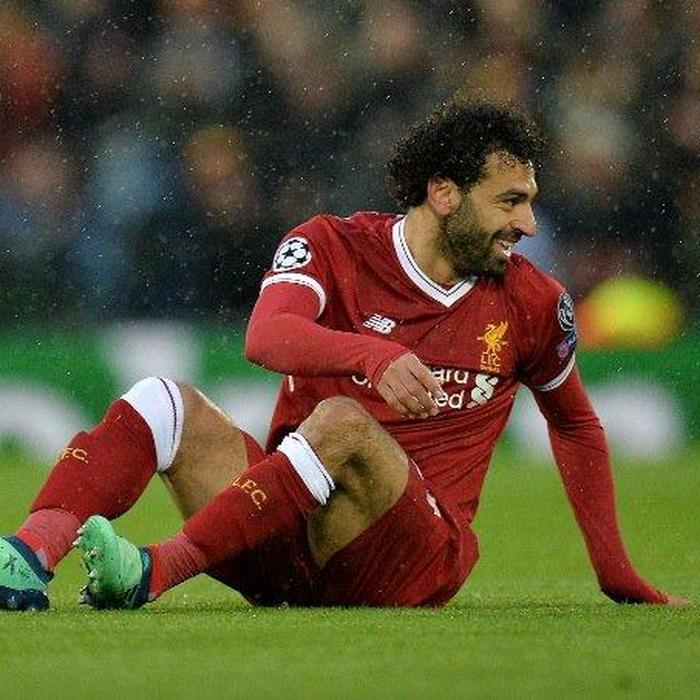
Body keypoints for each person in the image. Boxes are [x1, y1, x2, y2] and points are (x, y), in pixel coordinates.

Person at [0, 102, 682, 611]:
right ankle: (27, 557)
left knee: (345, 423)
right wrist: (373, 356)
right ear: (444, 193)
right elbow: (266, 336)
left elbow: (575, 423)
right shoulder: (332, 245)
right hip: (285, 527)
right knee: (161, 401)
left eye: (529, 203)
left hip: (416, 560)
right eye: (510, 202)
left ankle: (154, 571)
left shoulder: (533, 301)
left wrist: (614, 570)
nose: (527, 224)